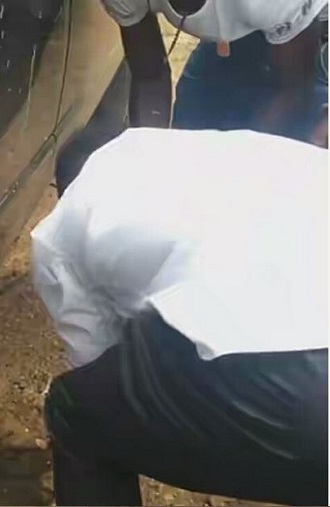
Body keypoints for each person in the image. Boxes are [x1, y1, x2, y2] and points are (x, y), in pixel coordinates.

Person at [31, 128, 328, 506]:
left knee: (78, 414)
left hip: (305, 397)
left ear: (62, 189)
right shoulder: (221, 154)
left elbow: (99, 361)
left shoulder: (66, 226)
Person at [100, 0, 328, 145]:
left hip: (309, 37)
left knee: (300, 145)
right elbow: (150, 77)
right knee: (191, 128)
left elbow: (293, 91)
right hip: (240, 27)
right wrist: (146, 152)